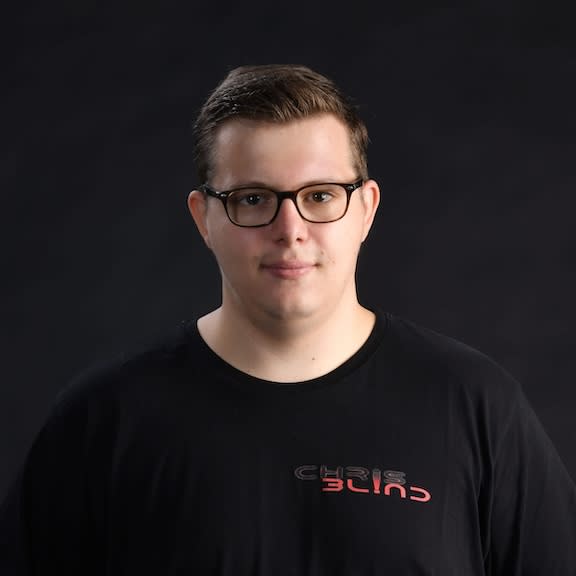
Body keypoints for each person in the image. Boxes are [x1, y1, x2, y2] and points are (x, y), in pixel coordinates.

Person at [1, 63, 575, 575]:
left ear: (365, 209)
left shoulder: (473, 406)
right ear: (204, 219)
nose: (291, 229)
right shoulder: (106, 419)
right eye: (253, 199)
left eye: (320, 195)